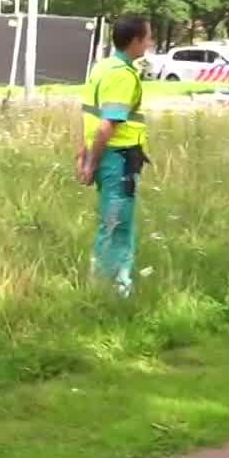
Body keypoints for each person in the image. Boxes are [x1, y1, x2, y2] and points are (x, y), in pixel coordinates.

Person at [77, 16, 155, 297]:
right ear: (135, 41)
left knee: (112, 222)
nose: (150, 44)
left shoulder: (103, 67)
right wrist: (91, 161)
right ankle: (114, 290)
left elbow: (88, 113)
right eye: (147, 38)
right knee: (118, 225)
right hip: (118, 159)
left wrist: (84, 154)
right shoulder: (121, 75)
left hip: (107, 157)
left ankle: (105, 285)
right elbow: (107, 124)